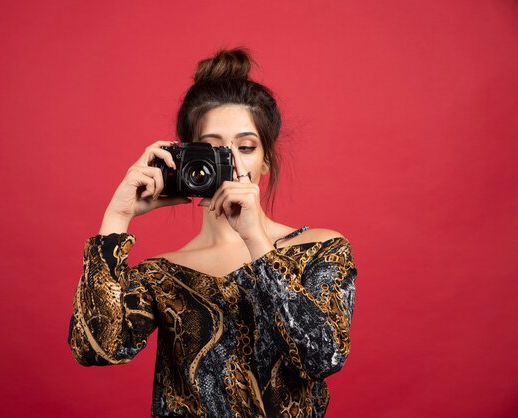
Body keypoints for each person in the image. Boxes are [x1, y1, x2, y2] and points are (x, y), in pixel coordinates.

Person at [68, 47, 358, 418]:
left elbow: (321, 357)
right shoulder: (162, 275)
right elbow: (97, 349)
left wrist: (256, 239)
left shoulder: (321, 250)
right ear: (186, 157)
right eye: (211, 148)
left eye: (246, 146)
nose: (231, 162)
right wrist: (116, 217)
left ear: (265, 159)